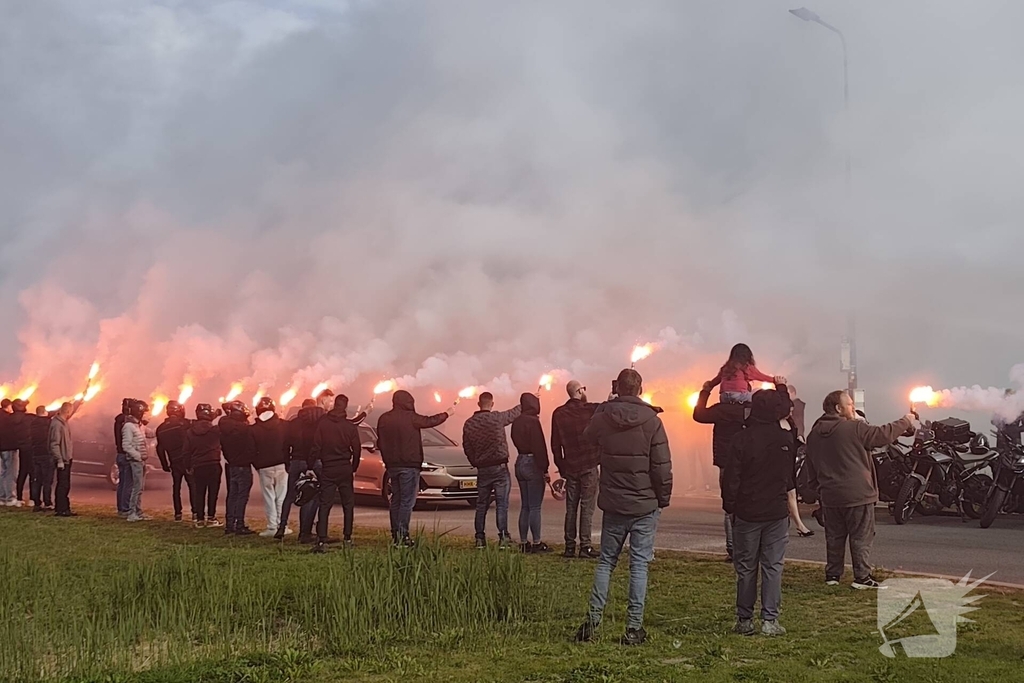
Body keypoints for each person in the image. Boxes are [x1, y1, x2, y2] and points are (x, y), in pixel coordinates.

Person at [575, 369, 672, 647]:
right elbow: (662, 467)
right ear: (640, 389)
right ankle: (633, 628)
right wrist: (662, 499)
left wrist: (605, 406)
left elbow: (588, 436)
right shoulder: (653, 421)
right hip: (644, 506)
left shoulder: (604, 418)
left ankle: (592, 623)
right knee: (639, 566)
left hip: (615, 504)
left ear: (617, 387)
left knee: (606, 562)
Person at [806, 390, 913, 589]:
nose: (853, 408)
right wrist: (906, 420)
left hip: (829, 495)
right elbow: (883, 434)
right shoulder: (854, 428)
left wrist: (819, 490)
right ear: (838, 408)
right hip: (858, 494)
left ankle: (833, 575)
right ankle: (862, 577)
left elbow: (810, 467)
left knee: (834, 537)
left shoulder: (813, 435)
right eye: (850, 405)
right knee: (861, 536)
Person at [723, 387, 797, 637]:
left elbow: (731, 478)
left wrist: (730, 506)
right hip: (776, 511)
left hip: (747, 511)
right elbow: (788, 475)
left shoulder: (742, 439)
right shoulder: (785, 439)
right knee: (773, 566)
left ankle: (745, 619)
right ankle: (770, 619)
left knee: (746, 567)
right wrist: (783, 389)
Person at [377, 390, 452, 547]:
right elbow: (430, 421)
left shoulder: (384, 419)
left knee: (396, 500)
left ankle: (396, 534)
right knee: (407, 501)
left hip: (392, 466)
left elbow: (380, 442)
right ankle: (403, 536)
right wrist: (447, 414)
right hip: (409, 465)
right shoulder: (411, 418)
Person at [692, 380, 749, 561]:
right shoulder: (749, 411)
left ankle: (732, 549)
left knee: (729, 506)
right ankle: (748, 546)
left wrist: (705, 390)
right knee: (748, 504)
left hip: (725, 462)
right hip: (748, 463)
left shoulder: (719, 410)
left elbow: (699, 414)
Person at [463, 392, 522, 549]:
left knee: (481, 504)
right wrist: (530, 400)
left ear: (478, 404)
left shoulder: (469, 424)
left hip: (482, 469)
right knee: (502, 504)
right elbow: (514, 413)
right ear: (492, 403)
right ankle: (503, 537)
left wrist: (475, 462)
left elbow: (467, 447)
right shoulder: (496, 418)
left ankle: (480, 539)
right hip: (499, 467)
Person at [551, 380, 601, 559]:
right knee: (587, 507)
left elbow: (555, 444)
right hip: (589, 464)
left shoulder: (558, 413)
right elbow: (606, 408)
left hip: (570, 466)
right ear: (579, 391)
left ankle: (569, 546)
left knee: (571, 508)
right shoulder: (590, 409)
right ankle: (585, 546)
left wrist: (561, 466)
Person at [309, 394, 363, 553]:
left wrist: (311, 465)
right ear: (345, 406)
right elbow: (357, 449)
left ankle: (321, 539)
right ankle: (347, 537)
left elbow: (316, 446)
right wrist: (354, 467)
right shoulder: (349, 426)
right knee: (348, 504)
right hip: (344, 467)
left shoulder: (323, 424)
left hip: (328, 468)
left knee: (325, 504)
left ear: (334, 405)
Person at [510, 392, 551, 553]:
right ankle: (537, 542)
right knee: (535, 507)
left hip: (519, 461)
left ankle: (523, 542)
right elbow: (539, 447)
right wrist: (545, 469)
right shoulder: (534, 422)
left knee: (525, 506)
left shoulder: (516, 421)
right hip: (532, 463)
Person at [251, 396, 290, 537]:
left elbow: (251, 450)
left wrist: (258, 465)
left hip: (264, 467)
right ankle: (282, 525)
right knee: (282, 497)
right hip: (282, 465)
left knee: (269, 497)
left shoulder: (254, 429)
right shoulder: (284, 425)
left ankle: (272, 527)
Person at [182, 403, 223, 528]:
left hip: (198, 465)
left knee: (199, 492)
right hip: (213, 463)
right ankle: (211, 518)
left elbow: (186, 451)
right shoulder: (215, 430)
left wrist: (188, 466)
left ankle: (199, 519)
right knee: (213, 493)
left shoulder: (190, 431)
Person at [155, 400, 197, 522]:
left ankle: (177, 514)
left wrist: (164, 464)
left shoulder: (161, 428)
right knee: (192, 486)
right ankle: (195, 513)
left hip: (174, 461)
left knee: (176, 488)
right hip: (186, 460)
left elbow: (160, 448)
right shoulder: (184, 423)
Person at [219, 400, 256, 535]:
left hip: (231, 465)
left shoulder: (223, 426)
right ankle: (239, 524)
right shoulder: (245, 429)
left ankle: (230, 525)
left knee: (232, 495)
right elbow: (252, 447)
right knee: (242, 496)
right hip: (243, 465)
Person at [708, 343, 776, 405]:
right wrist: (775, 380)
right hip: (739, 396)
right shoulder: (746, 367)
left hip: (724, 397)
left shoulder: (726, 367)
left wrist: (709, 385)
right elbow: (762, 377)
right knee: (757, 391)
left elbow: (715, 381)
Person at [121, 399, 154, 522]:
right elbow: (126, 445)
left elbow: (151, 433)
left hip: (141, 460)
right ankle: (132, 513)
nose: (146, 414)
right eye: (144, 412)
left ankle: (138, 511)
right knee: (136, 487)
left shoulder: (139, 426)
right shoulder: (128, 426)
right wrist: (138, 456)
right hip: (136, 461)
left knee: (140, 487)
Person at [49, 402, 77, 517]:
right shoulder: (57, 424)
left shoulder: (63, 423)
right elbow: (54, 444)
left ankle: (65, 507)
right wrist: (59, 460)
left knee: (65, 484)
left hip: (66, 458)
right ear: (68, 411)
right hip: (62, 459)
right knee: (62, 484)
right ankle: (61, 509)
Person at [29, 406, 54, 512]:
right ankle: (47, 502)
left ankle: (36, 502)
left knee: (36, 480)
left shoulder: (33, 423)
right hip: (46, 454)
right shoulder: (47, 423)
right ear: (44, 412)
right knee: (47, 480)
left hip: (35, 454)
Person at [113, 399, 134, 518]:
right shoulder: (125, 422)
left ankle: (121, 508)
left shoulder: (118, 421)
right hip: (126, 455)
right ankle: (125, 508)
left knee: (122, 483)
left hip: (120, 454)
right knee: (128, 483)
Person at [11, 399, 34, 504]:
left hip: (20, 448)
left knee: (22, 472)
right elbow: (45, 416)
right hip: (30, 447)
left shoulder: (10, 418)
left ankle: (19, 498)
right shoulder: (29, 418)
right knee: (32, 473)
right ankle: (32, 498)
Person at [0, 398, 16, 506]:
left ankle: (1, 497)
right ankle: (10, 498)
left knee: (2, 473)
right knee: (10, 472)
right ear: (9, 406)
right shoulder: (9, 418)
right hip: (9, 448)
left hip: (1, 449)